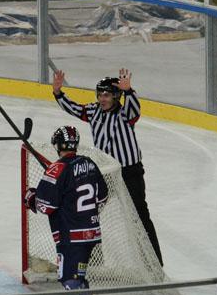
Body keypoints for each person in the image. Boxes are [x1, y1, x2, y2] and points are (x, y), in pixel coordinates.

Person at [52, 69, 162, 266]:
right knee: (89, 215)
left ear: (116, 96)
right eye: (100, 94)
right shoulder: (93, 111)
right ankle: (94, 260)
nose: (102, 99)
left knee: (139, 216)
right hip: (106, 174)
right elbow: (74, 108)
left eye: (107, 95)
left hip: (130, 173)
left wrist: (128, 91)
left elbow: (135, 109)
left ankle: (154, 263)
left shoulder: (124, 113)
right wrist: (58, 93)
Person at [24, 126, 108, 295]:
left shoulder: (57, 169)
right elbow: (102, 197)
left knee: (69, 278)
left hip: (71, 235)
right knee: (78, 277)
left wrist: (30, 197)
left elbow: (45, 206)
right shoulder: (90, 163)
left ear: (57, 145)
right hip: (91, 232)